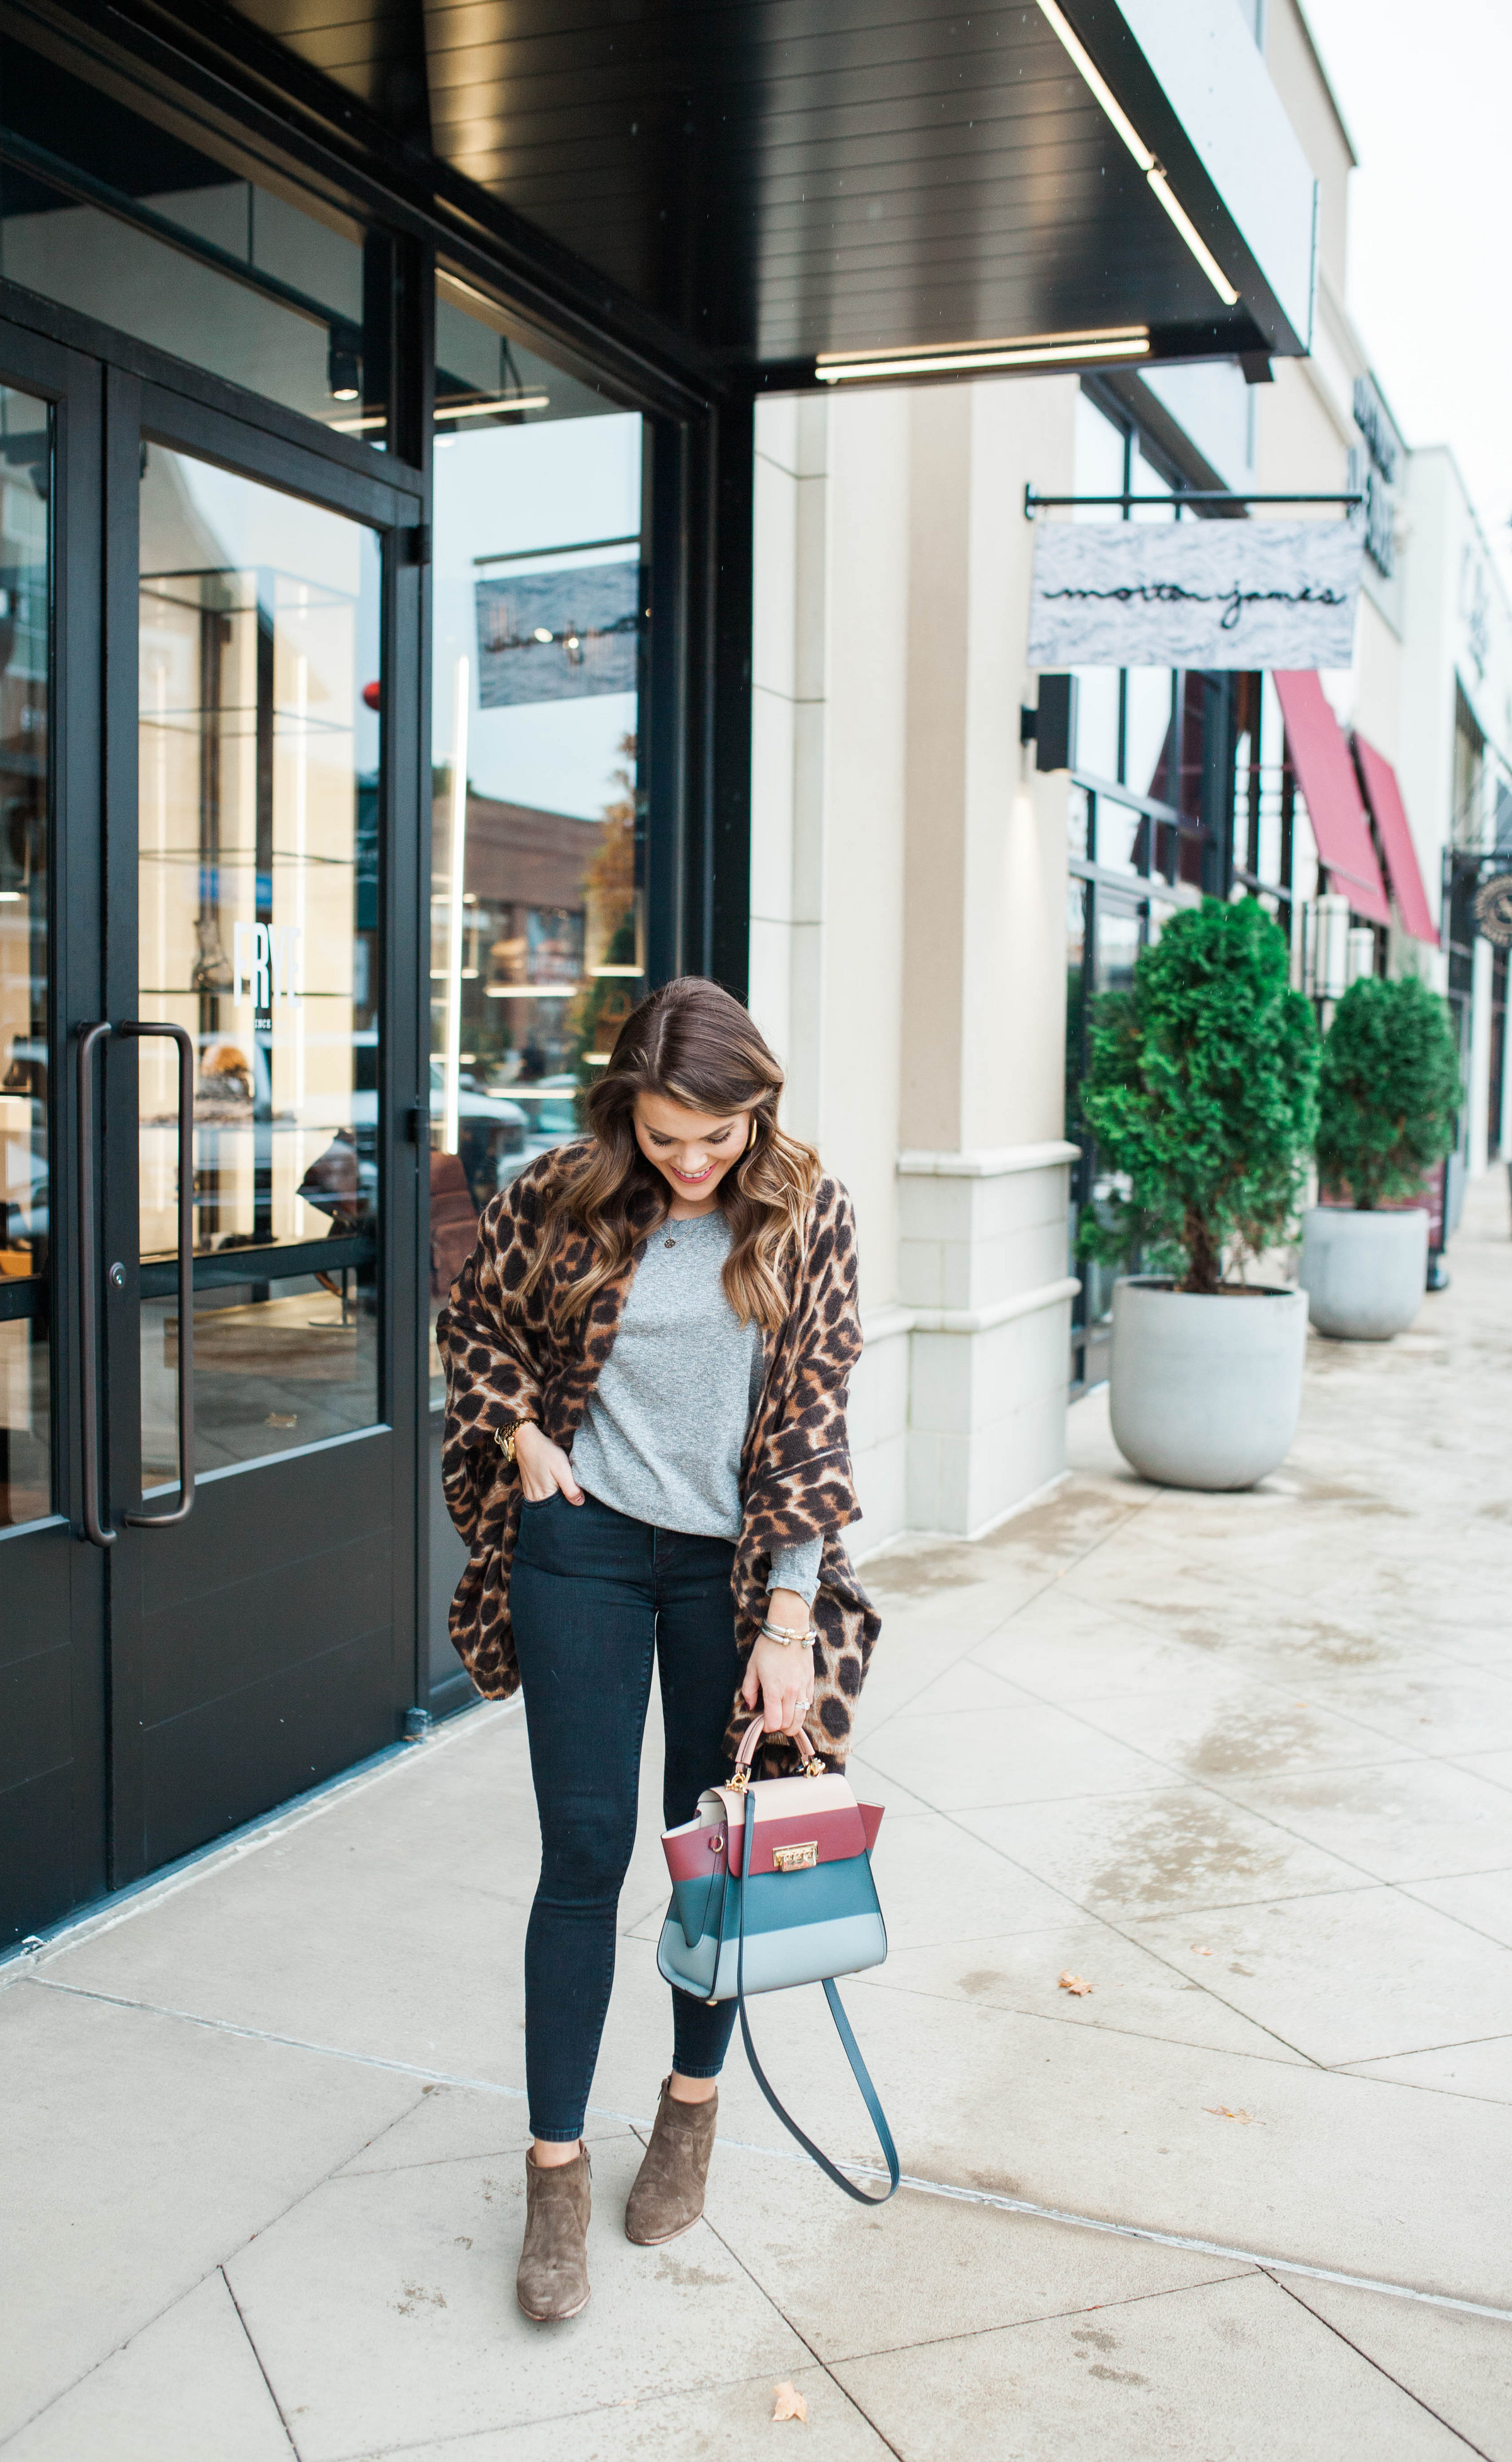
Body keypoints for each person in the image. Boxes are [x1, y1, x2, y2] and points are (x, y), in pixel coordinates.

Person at [437, 975, 881, 2324]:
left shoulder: (806, 1210)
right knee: (581, 1852)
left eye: (718, 1133)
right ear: (623, 1106)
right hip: (581, 1547)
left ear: (759, 1108)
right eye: (666, 1133)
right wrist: (524, 1437)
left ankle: (689, 2109)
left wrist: (789, 1619)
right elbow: (475, 1321)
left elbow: (812, 1415)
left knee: (716, 1854)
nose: (692, 1161)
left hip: (730, 1573)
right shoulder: (563, 1191)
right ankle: (554, 2175)